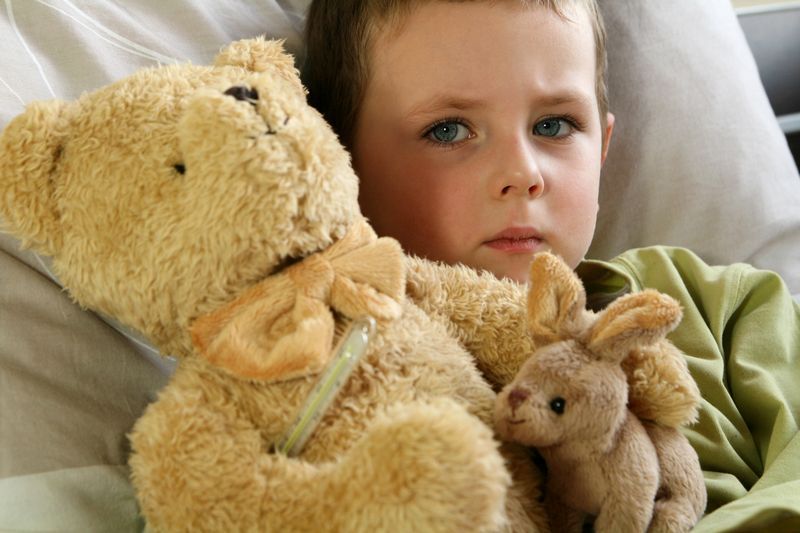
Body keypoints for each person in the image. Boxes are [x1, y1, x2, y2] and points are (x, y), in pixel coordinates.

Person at [302, 1, 800, 530]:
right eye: (449, 130)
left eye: (553, 124)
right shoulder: (338, 375)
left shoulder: (719, 306)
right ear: (341, 161)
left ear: (602, 148)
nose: (522, 172)